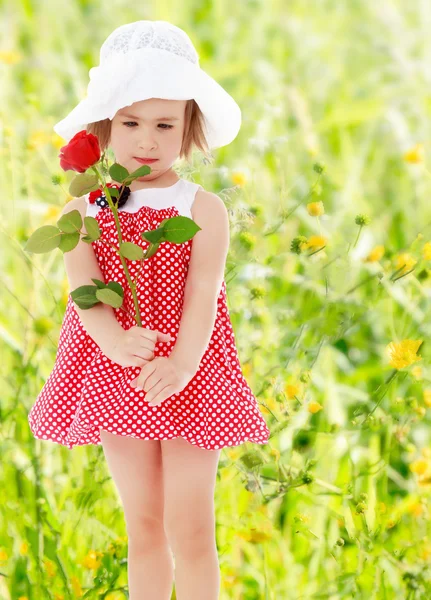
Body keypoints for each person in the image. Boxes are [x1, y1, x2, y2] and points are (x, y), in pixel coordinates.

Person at [28, 20, 270, 600]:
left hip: (189, 369)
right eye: (130, 123)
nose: (147, 140)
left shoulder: (202, 208)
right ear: (104, 126)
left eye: (166, 124)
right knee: (144, 524)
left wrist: (185, 360)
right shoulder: (88, 209)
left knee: (191, 525)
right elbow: (82, 286)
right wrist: (111, 339)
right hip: (117, 370)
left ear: (190, 128)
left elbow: (204, 291)